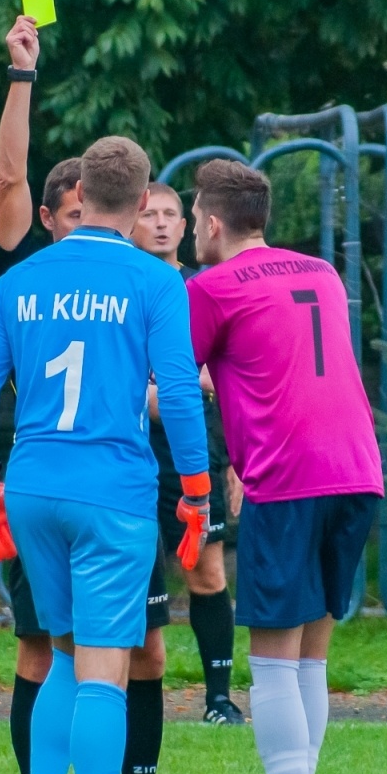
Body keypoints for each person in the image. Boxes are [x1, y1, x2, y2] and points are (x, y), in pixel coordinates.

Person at [0, 136, 212, 774]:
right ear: (140, 206)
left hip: (32, 486)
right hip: (113, 494)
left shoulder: (21, 280)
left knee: (66, 655)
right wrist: (196, 493)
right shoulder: (154, 283)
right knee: (109, 669)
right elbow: (180, 392)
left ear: (81, 197)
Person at [0, 17, 187, 774]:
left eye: (84, 210)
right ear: (47, 217)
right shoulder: (29, 268)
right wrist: (22, 76)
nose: (78, 224)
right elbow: (6, 175)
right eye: (61, 214)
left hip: (81, 480)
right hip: (79, 482)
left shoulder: (131, 275)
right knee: (51, 656)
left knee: (126, 655)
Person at [185, 159, 384, 774]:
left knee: (271, 662)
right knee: (310, 659)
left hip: (290, 475)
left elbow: (182, 379)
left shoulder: (209, 286)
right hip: (357, 468)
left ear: (211, 222)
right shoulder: (320, 273)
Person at [130, 182, 245, 728]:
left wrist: (235, 462)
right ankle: (128, 686)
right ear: (128, 220)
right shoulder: (120, 290)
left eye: (170, 214)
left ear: (185, 226)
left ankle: (219, 698)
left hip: (192, 456)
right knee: (134, 573)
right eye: (147, 213)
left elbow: (226, 383)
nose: (158, 223)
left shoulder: (203, 292)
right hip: (128, 458)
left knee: (206, 571)